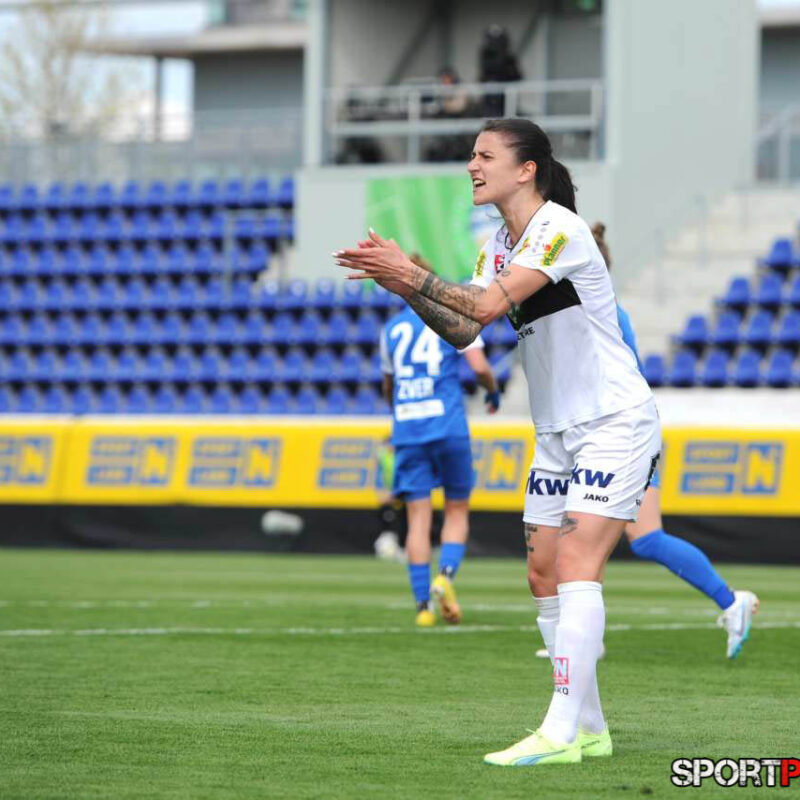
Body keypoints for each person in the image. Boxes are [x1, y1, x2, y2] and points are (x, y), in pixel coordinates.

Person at [335, 117, 661, 768]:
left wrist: (412, 272)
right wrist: (405, 286)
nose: (471, 165)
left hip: (613, 421)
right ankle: (591, 726)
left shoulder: (559, 229)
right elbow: (463, 330)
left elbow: (485, 309)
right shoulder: (496, 247)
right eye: (469, 155)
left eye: (484, 155)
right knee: (542, 572)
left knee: (574, 567)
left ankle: (561, 728)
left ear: (526, 169)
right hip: (557, 432)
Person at [594, 223, 759, 659]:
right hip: (603, 432)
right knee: (587, 535)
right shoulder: (591, 310)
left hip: (623, 432)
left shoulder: (601, 311)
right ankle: (582, 635)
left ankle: (731, 601)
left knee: (636, 538)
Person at [379, 254, 501, 627]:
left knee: (417, 519)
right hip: (447, 426)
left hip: (409, 429)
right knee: (456, 509)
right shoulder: (451, 319)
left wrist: (401, 410)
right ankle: (444, 577)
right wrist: (492, 391)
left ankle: (422, 609)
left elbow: (389, 386)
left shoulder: (392, 331)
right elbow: (479, 368)